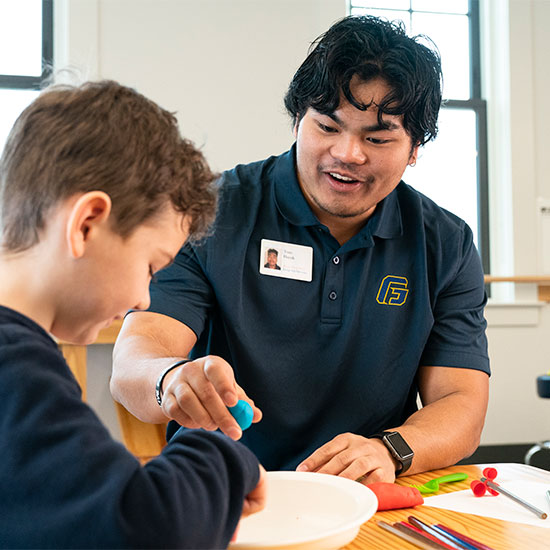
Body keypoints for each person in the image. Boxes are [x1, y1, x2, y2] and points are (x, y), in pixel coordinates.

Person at [111, 15, 490, 483]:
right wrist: (170, 379)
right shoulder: (212, 210)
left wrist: (389, 450)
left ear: (415, 149)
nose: (348, 153)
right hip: (222, 485)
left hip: (368, 490)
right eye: (328, 127)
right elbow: (135, 359)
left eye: (377, 138)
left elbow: (462, 404)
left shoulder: (445, 243)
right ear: (297, 120)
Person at [0, 80, 265, 549]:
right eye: (150, 267)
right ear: (87, 224)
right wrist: (223, 455)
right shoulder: (17, 365)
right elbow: (146, 527)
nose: (144, 298)